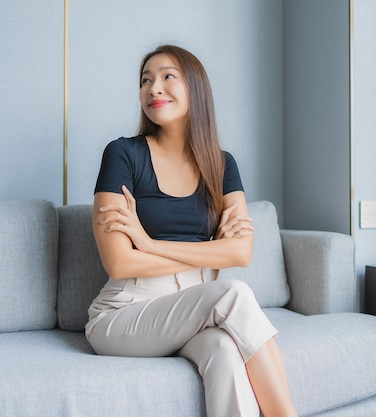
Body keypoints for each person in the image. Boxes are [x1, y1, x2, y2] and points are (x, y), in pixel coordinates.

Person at [85, 44, 298, 417]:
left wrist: (148, 242)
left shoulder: (221, 164)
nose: (153, 88)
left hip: (194, 310)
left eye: (168, 76)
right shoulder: (122, 154)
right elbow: (119, 262)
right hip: (125, 314)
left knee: (224, 351)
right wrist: (209, 247)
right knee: (232, 293)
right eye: (146, 80)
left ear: (195, 88)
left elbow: (239, 253)